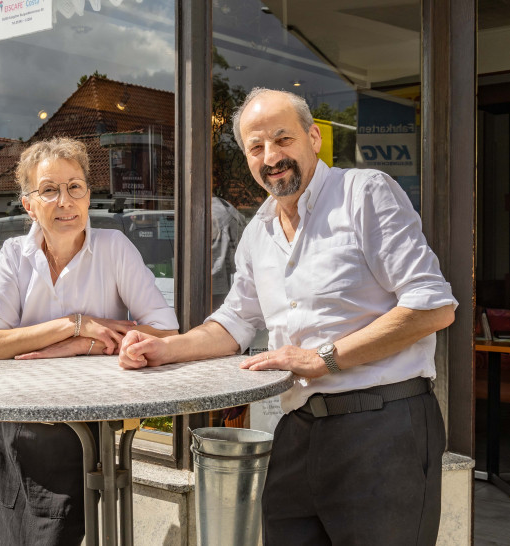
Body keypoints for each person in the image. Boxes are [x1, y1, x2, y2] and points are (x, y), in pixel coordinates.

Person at [118, 88, 457, 545]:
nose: (271, 156)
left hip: (384, 425)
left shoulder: (364, 193)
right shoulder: (258, 230)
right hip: (298, 430)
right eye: (256, 147)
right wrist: (163, 347)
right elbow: (234, 322)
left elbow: (432, 306)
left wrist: (325, 359)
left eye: (283, 139)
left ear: (314, 138)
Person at [0, 137, 178, 546]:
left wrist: (80, 346)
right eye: (49, 190)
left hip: (82, 431)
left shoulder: (114, 248)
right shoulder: (15, 254)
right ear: (29, 204)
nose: (65, 201)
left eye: (75, 187)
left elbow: (165, 334)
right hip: (14, 426)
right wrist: (75, 325)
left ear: (87, 196)